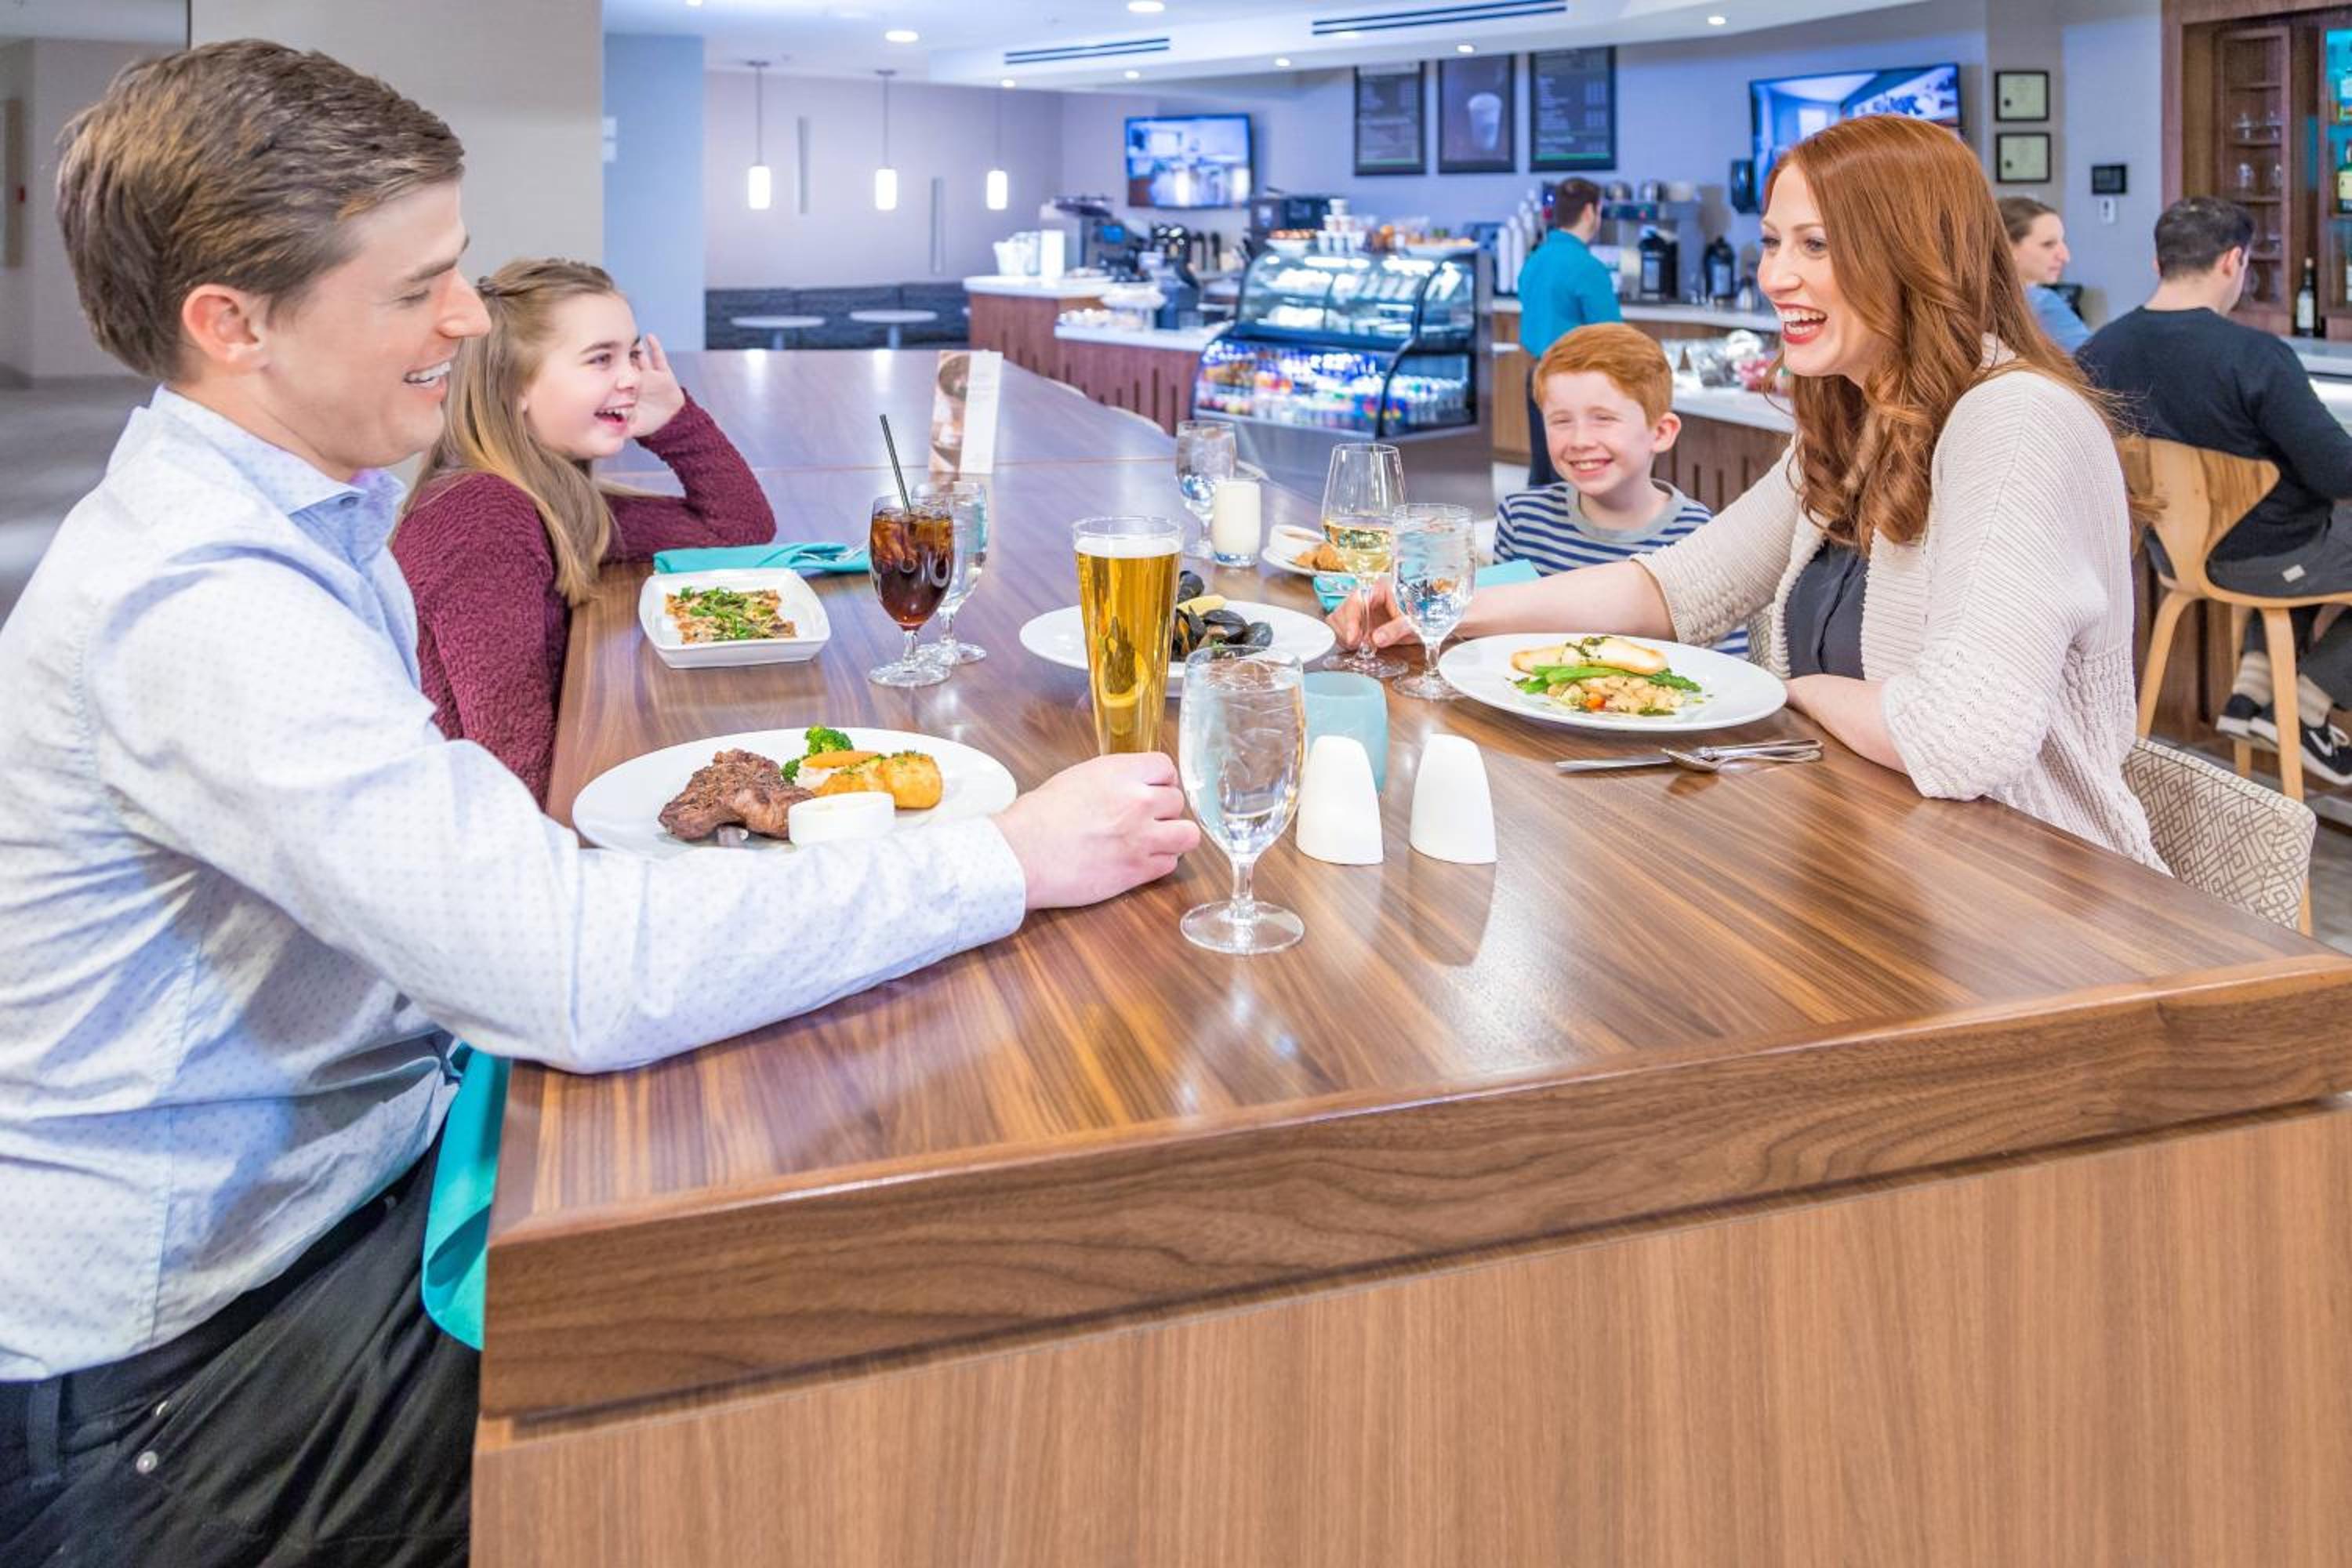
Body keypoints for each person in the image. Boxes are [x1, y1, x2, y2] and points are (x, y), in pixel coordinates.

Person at [0, 41, 1196, 1566]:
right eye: (417, 288)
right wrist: (1007, 859)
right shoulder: (204, 607)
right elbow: (567, 971)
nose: (465, 321)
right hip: (189, 1371)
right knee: (802, 1393)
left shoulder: (303, 514)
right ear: (232, 325)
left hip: (316, 1214)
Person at [1341, 114, 2161, 868]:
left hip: (2032, 891)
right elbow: (1680, 586)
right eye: (1772, 243)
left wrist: (1787, 693)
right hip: (1871, 854)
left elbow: (1962, 739)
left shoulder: (2015, 420)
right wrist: (1442, 610)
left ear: (1914, 253)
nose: (1775, 275)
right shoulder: (1860, 420)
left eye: (1816, 246)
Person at [394, 258, 770, 802]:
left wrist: (673, 419)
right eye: (601, 359)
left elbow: (736, 528)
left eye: (632, 354)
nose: (633, 377)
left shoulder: (548, 498)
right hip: (482, 826)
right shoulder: (482, 518)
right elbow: (516, 772)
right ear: (514, 385)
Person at [2080, 195, 2352, 782]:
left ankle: (2250, 694)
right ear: (2234, 262)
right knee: (2317, 529)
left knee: (2300, 530)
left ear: (2158, 264)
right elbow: (2337, 474)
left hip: (2170, 557)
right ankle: (2305, 707)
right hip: (2265, 560)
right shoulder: (2256, 356)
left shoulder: (2099, 351)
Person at [1497, 321, 1744, 656]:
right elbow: (1497, 643)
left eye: (1604, 418)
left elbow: (1725, 667)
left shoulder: (1702, 537)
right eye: (1561, 421)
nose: (1580, 440)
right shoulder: (1521, 519)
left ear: (1661, 432)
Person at [1516, 177, 1622, 488]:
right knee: (1573, 473)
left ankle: (1534, 518)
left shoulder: (1534, 261)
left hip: (1537, 374)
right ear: (1590, 212)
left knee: (1543, 467)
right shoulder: (1587, 267)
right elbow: (1613, 337)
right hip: (1576, 382)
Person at [2001, 195, 2092, 353]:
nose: (2065, 256)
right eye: (2048, 244)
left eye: (2062, 242)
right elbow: (2095, 361)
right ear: (2008, 247)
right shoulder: (2042, 303)